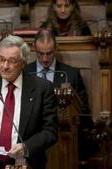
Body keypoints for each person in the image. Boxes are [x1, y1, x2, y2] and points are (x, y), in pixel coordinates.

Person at [0, 35, 58, 169]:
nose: (5, 66)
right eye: (1, 60)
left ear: (23, 63)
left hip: (26, 163)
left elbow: (50, 131)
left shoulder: (42, 89)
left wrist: (26, 147)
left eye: (11, 61)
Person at [24, 29, 98, 164]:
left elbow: (83, 111)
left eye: (49, 53)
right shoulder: (24, 73)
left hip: (63, 136)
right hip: (31, 138)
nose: (45, 59)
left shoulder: (71, 74)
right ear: (33, 48)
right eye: (40, 54)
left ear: (56, 48)